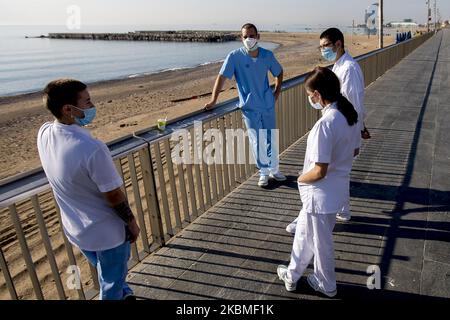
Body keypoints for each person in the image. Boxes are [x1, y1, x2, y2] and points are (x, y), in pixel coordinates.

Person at [37, 79, 140, 300]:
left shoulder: (45, 133)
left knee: (108, 272)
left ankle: (125, 293)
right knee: (111, 284)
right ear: (68, 109)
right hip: (108, 234)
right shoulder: (92, 149)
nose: (92, 106)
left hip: (76, 229)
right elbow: (113, 195)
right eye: (87, 101)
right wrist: (131, 223)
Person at [277, 67, 360, 297]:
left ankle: (327, 284)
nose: (309, 98)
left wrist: (299, 179)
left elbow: (319, 171)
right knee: (305, 234)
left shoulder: (325, 124)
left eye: (309, 94)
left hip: (320, 194)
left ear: (317, 95)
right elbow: (353, 151)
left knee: (321, 243)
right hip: (334, 191)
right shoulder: (349, 115)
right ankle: (292, 275)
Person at [204, 23, 286, 187]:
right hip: (249, 106)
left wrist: (276, 92)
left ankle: (274, 169)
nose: (249, 39)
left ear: (258, 36)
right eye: (245, 36)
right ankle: (263, 172)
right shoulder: (235, 57)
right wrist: (214, 100)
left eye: (252, 35)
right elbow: (221, 78)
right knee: (257, 140)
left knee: (271, 137)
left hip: (267, 104)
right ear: (241, 38)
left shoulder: (267, 55)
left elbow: (279, 72)